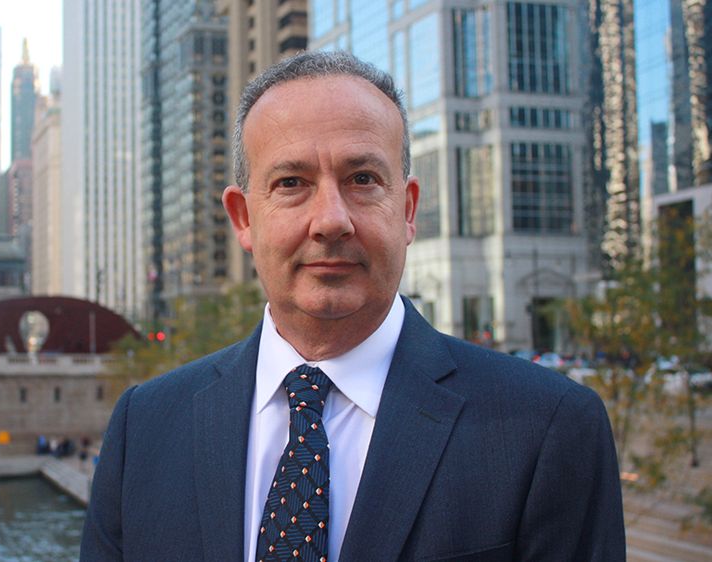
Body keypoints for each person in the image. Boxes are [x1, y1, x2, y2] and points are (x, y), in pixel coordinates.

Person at [81, 51, 625, 561]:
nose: (331, 220)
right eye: (291, 183)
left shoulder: (547, 427)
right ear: (243, 218)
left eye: (362, 180)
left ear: (407, 209)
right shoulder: (145, 427)